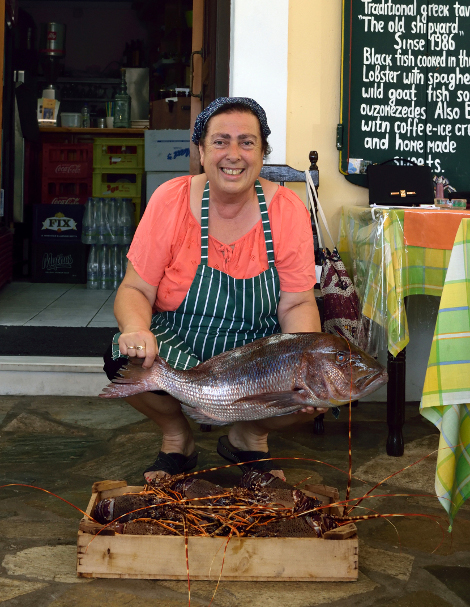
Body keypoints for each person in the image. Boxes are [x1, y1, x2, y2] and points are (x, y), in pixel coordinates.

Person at [103, 97, 324, 484]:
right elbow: (135, 288)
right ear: (201, 151)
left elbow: (298, 302)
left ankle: (249, 437)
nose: (233, 154)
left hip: (257, 354)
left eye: (247, 142)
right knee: (123, 357)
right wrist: (136, 330)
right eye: (220, 141)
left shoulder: (287, 210)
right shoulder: (170, 200)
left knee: (322, 385)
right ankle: (177, 439)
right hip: (181, 343)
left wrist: (303, 365)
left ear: (262, 152)